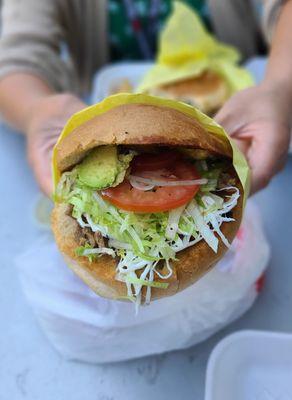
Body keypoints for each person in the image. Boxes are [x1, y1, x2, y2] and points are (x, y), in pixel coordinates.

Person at [0, 0, 290, 196]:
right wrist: (37, 110)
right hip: (105, 134)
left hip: (242, 132)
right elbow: (15, 56)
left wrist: (279, 85)